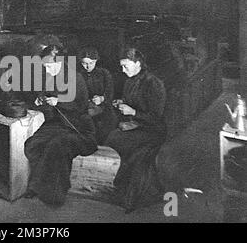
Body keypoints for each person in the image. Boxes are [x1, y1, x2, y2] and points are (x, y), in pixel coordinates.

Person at [23, 45, 96, 206]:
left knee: (57, 147)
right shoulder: (51, 76)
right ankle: (37, 184)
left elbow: (82, 106)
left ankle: (55, 194)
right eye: (45, 67)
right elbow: (47, 95)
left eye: (49, 66)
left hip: (78, 126)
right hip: (57, 123)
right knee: (33, 144)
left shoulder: (75, 78)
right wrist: (40, 99)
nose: (47, 70)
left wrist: (59, 101)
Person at [105, 48, 167, 212]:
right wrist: (121, 103)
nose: (123, 70)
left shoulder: (153, 83)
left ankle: (130, 195)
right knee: (113, 138)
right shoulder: (130, 81)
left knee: (133, 151)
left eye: (126, 66)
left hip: (153, 130)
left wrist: (133, 112)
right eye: (121, 67)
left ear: (138, 63)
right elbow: (132, 102)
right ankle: (144, 190)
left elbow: (156, 117)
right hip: (138, 127)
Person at [78, 47, 117, 144]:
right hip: (85, 107)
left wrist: (102, 98)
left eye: (91, 63)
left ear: (96, 61)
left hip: (104, 108)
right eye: (84, 63)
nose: (88, 66)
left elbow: (111, 92)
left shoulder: (104, 73)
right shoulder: (78, 75)